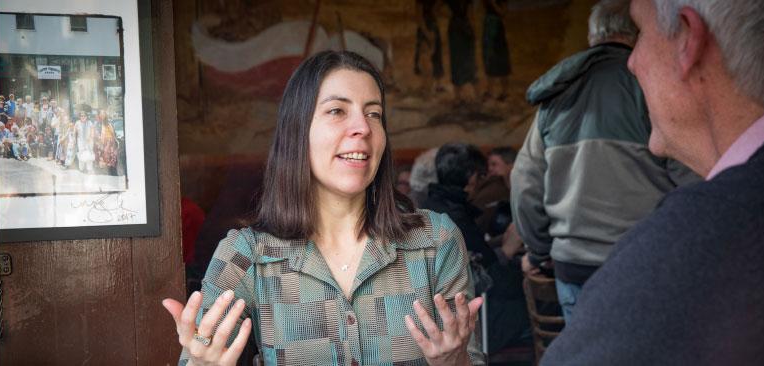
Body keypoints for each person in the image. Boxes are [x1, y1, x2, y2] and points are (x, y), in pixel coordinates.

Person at [163, 51, 485, 366]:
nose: (363, 127)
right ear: (298, 131)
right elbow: (200, 353)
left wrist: (453, 362)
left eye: (374, 113)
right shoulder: (246, 255)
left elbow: (469, 358)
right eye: (337, 111)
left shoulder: (435, 241)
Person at [540, 0, 764, 364]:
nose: (632, 62)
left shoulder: (692, 246)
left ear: (687, 40)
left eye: (642, 34)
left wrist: (540, 251)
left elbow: (525, 187)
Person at [511, 0, 699, 323]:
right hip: (646, 262)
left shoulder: (554, 98)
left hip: (573, 269)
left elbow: (524, 184)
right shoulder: (652, 87)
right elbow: (693, 180)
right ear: (638, 33)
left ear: (592, 36)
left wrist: (541, 251)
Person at [423, 143, 531, 354]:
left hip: (437, 315)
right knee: (534, 299)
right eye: (481, 175)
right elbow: (494, 280)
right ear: (472, 177)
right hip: (464, 321)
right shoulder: (455, 217)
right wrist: (510, 253)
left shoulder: (430, 206)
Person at [481, 0, 511, 101]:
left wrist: (493, 2)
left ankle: (505, 91)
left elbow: (503, 13)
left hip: (497, 29)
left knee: (502, 59)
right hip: (488, 26)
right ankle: (490, 90)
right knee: (489, 58)